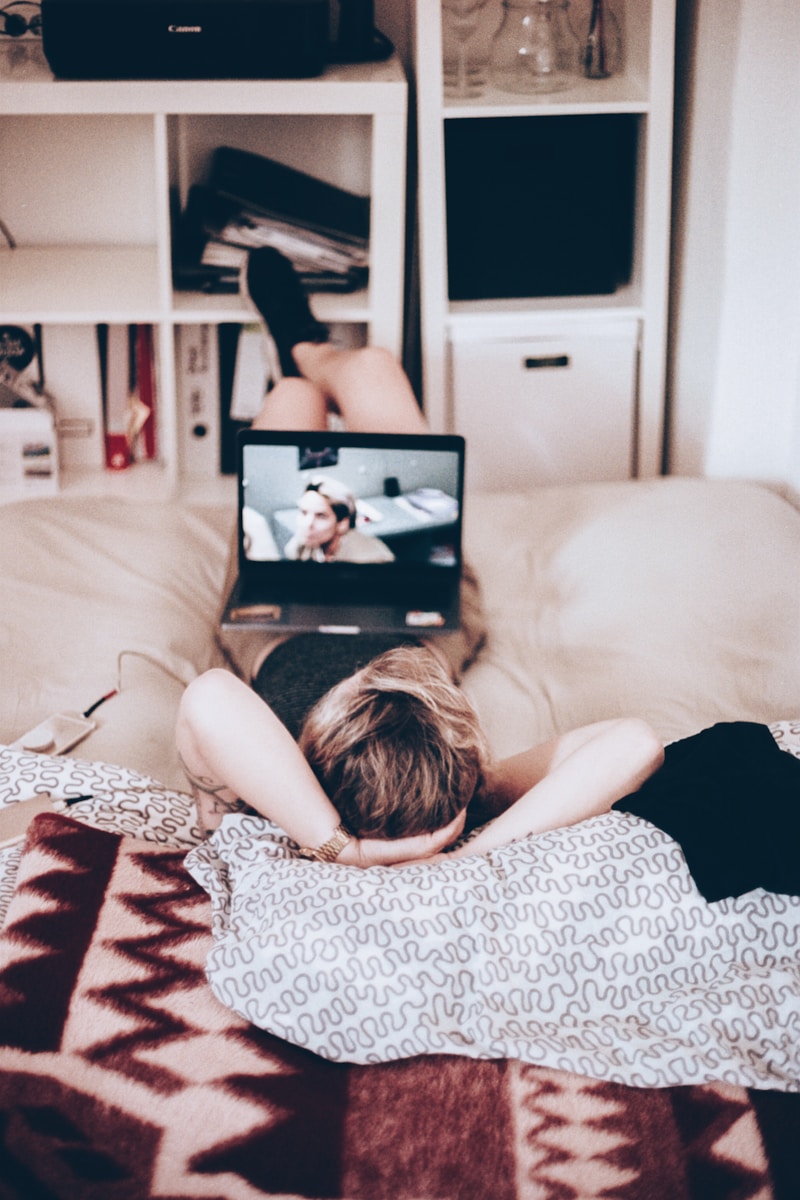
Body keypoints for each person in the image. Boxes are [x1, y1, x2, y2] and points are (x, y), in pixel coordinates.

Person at [177, 246, 666, 864]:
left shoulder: (278, 787)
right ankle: (307, 345)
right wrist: (475, 846)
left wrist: (342, 849)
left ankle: (300, 360)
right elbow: (636, 743)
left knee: (293, 402)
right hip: (419, 613)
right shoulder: (461, 788)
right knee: (376, 369)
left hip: (283, 619)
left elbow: (210, 698)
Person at [283, 476, 395, 563]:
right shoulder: (302, 544)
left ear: (342, 524)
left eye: (321, 516)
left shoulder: (372, 559)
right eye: (304, 513)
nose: (307, 524)